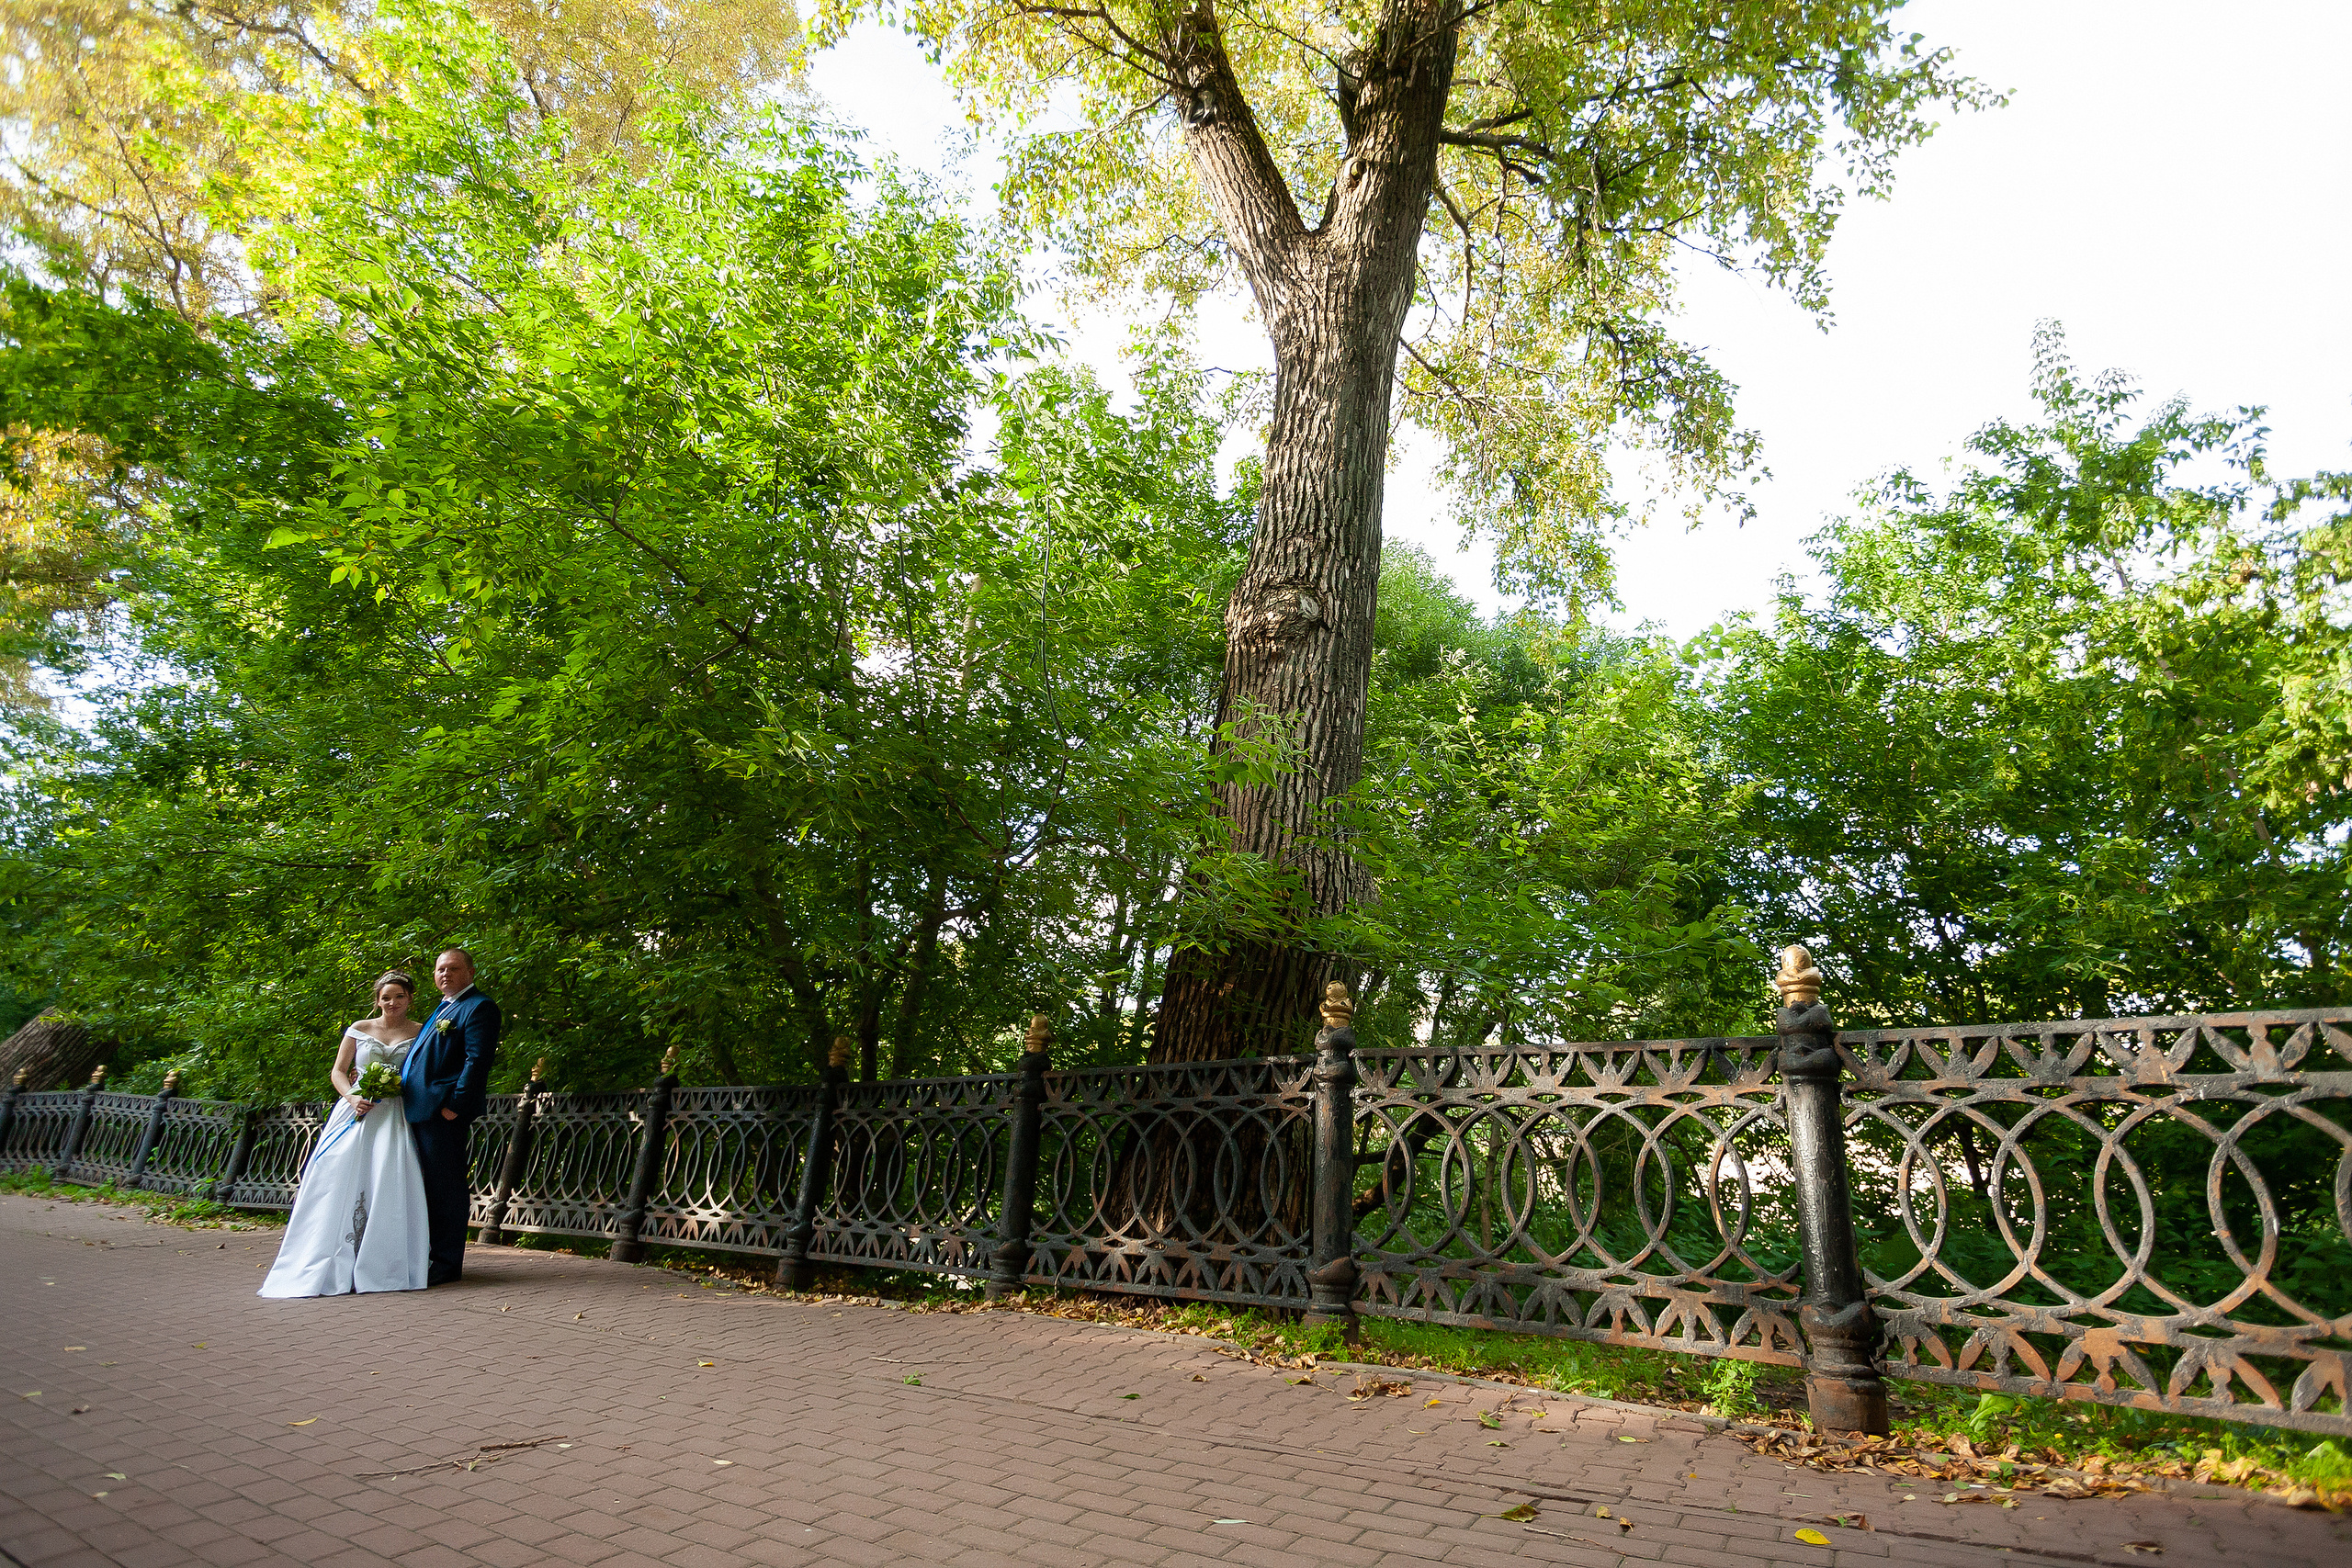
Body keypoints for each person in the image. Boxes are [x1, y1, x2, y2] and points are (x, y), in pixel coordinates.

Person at [258, 971, 433, 1297]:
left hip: (395, 1114)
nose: (391, 1002)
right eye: (385, 997)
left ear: (409, 998)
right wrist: (352, 1097)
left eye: (398, 996)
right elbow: (338, 1071)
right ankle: (332, 1255)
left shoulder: (422, 1032)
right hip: (357, 1110)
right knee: (338, 1178)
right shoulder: (359, 1029)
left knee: (388, 1177)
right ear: (377, 1001)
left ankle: (383, 1263)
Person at [402, 947, 499, 1285]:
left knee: (446, 1187)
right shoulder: (443, 1008)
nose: (445, 974)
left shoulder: (479, 1007)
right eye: (440, 969)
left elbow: (477, 1061)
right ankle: (426, 1256)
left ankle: (445, 1265)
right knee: (424, 1186)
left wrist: (456, 1105)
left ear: (470, 973)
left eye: (454, 969)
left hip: (442, 1112)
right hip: (418, 1110)